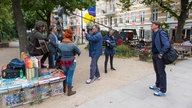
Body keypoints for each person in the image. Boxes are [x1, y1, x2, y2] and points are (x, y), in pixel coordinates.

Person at [150, 21, 171, 96]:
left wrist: (161, 53)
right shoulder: (154, 33)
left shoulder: (161, 33)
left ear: (156, 26)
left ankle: (163, 90)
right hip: (155, 55)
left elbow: (167, 44)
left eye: (152, 24)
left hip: (159, 56)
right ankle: (158, 85)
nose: (151, 26)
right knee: (157, 71)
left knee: (161, 73)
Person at [58, 29, 81, 96]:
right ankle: (69, 91)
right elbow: (79, 52)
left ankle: (64, 89)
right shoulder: (72, 45)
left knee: (65, 75)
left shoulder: (60, 44)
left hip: (63, 61)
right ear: (71, 36)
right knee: (70, 76)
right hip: (71, 61)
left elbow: (59, 52)